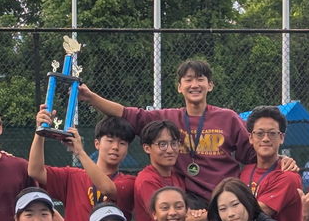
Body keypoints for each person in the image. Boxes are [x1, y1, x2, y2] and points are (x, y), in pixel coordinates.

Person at [78, 59, 255, 207]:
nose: (194, 85)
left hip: (224, 201)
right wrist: (91, 98)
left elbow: (253, 155)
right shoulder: (167, 118)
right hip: (189, 203)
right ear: (179, 87)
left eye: (200, 79)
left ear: (210, 85)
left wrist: (280, 160)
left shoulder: (228, 118)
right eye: (188, 80)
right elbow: (127, 113)